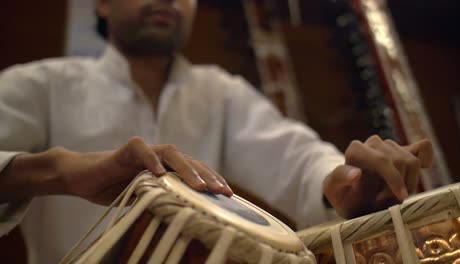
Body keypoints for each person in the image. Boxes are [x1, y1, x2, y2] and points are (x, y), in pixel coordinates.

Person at [0, 0, 433, 263]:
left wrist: (341, 181)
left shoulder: (219, 93)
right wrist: (59, 169)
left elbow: (297, 158)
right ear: (103, 4)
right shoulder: (43, 85)